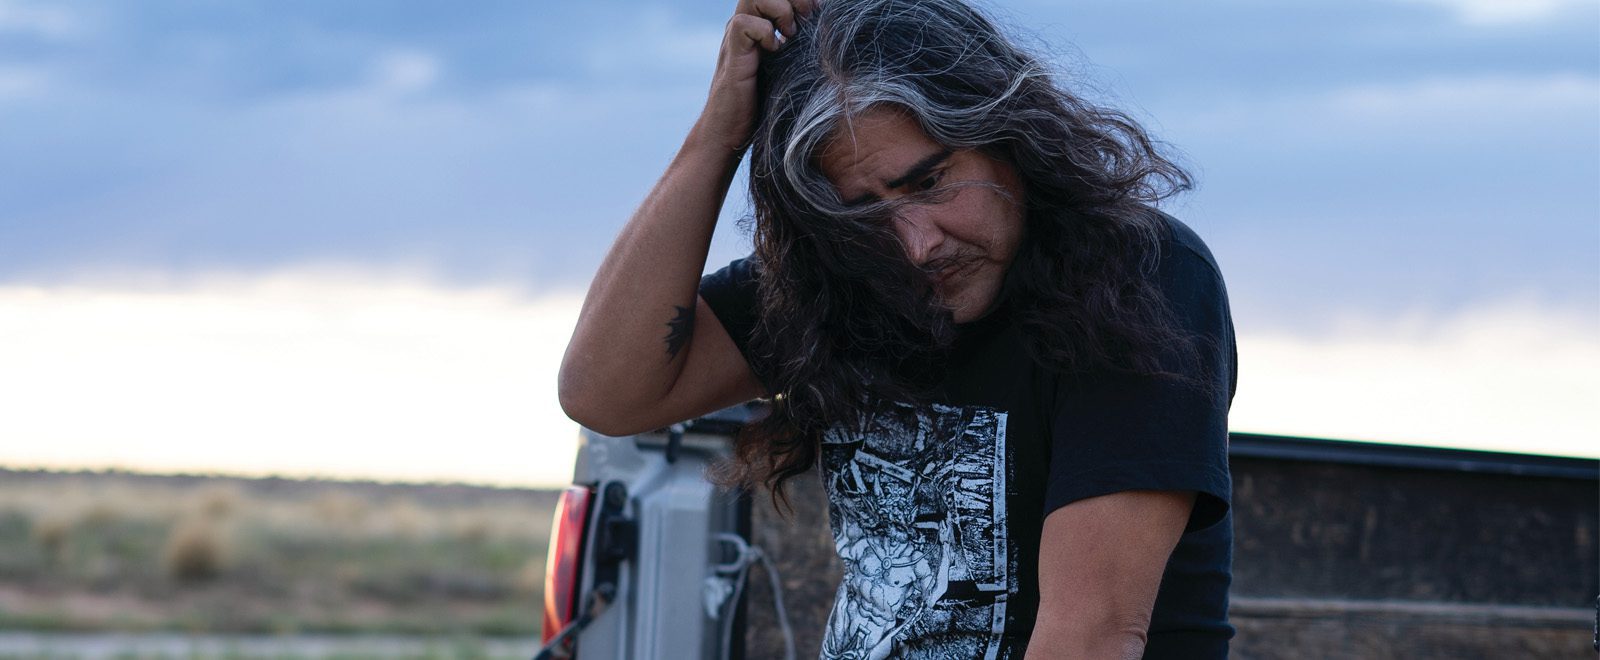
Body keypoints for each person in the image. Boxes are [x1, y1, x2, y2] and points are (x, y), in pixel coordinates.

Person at [558, 0, 1237, 657]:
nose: (915, 246)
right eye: (865, 211)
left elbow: (1090, 639)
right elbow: (605, 393)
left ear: (1010, 133)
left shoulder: (1139, 279)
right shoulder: (853, 277)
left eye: (931, 182)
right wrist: (717, 136)